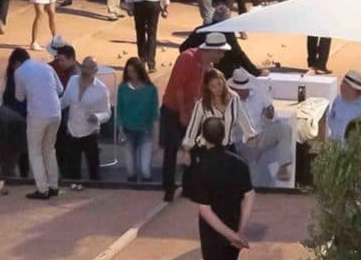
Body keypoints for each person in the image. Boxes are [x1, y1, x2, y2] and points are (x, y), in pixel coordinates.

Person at [185, 115, 256, 260]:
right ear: (224, 135)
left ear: (204, 137)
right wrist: (239, 231)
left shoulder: (201, 167)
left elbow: (205, 210)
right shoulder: (239, 163)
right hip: (233, 233)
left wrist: (229, 234)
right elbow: (249, 195)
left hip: (215, 237)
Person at [159, 33, 228, 202]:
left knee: (198, 148)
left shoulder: (208, 66)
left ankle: (190, 186)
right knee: (172, 148)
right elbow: (178, 88)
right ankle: (168, 188)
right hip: (172, 110)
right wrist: (183, 112)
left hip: (191, 110)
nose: (222, 56)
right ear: (212, 49)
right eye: (220, 52)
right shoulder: (187, 58)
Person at [226, 66, 293, 185]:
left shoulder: (258, 93)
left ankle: (284, 166)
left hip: (261, 134)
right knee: (253, 178)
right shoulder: (227, 101)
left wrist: (270, 113)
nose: (241, 92)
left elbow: (271, 114)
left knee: (284, 128)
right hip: (243, 142)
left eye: (244, 89)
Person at [58, 55, 109, 184]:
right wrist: (53, 109)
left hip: (90, 133)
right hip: (72, 130)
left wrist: (97, 117)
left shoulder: (102, 89)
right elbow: (64, 101)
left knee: (93, 168)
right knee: (72, 169)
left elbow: (107, 113)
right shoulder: (73, 81)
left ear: (95, 70)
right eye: (84, 67)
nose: (86, 70)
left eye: (89, 68)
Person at [117, 58, 159, 182]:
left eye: (134, 72)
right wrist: (120, 131)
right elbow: (120, 111)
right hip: (128, 131)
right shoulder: (123, 88)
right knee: (130, 171)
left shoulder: (151, 90)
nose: (132, 75)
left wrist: (156, 141)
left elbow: (155, 116)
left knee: (145, 170)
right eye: (129, 72)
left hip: (145, 132)